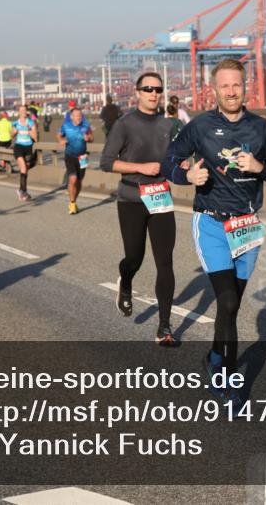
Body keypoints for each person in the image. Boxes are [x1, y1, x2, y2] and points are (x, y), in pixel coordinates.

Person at [162, 59, 266, 407]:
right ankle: (231, 388)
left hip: (246, 227)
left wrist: (260, 167)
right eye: (224, 86)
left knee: (230, 309)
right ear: (213, 90)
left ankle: (215, 360)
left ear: (245, 87)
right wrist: (187, 177)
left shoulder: (261, 128)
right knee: (227, 302)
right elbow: (168, 160)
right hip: (212, 224)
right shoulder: (199, 127)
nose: (231, 91)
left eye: (237, 85)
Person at [101, 73, 179, 345]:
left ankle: (165, 327)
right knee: (134, 257)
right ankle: (125, 279)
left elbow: (176, 159)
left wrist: (186, 168)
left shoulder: (168, 124)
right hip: (132, 199)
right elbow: (107, 162)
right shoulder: (124, 124)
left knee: (165, 262)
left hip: (160, 198)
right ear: (137, 92)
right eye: (148, 89)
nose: (153, 93)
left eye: (158, 89)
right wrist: (140, 168)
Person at [58, 107, 94, 214]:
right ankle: (72, 203)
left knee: (79, 181)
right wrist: (61, 140)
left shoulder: (86, 126)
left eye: (80, 116)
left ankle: (74, 201)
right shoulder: (66, 126)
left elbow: (92, 137)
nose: (79, 118)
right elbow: (59, 135)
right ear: (71, 117)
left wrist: (89, 138)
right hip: (70, 156)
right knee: (73, 179)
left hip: (82, 157)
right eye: (76, 116)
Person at [11, 105, 38, 201]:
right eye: (21, 110)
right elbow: (11, 135)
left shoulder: (31, 122)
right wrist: (15, 132)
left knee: (25, 169)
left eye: (24, 110)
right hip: (18, 147)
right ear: (18, 112)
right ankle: (24, 192)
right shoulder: (15, 123)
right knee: (23, 167)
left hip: (29, 147)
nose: (23, 112)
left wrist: (29, 129)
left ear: (26, 112)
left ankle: (21, 190)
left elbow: (35, 138)